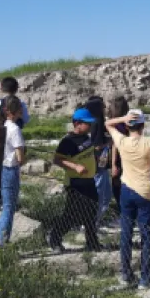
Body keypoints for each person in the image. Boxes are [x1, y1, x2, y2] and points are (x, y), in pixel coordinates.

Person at [106, 109, 150, 290]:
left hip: (126, 190)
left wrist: (122, 119)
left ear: (127, 126)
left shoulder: (121, 141)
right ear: (143, 125)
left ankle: (126, 274)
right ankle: (145, 278)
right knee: (146, 235)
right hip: (145, 192)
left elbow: (107, 124)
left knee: (126, 233)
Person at [50, 107, 103, 253]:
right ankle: (55, 238)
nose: (90, 126)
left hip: (89, 181)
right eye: (87, 123)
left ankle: (92, 243)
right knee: (72, 215)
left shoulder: (87, 138)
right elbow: (57, 160)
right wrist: (75, 166)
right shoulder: (68, 141)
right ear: (77, 123)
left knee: (91, 213)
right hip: (75, 183)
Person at [0, 97, 27, 246]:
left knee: (4, 205)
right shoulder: (15, 129)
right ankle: (2, 240)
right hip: (10, 169)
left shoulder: (1, 126)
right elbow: (20, 157)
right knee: (9, 206)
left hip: (0, 168)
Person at [85, 96, 114, 227]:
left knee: (106, 195)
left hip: (101, 164)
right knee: (100, 194)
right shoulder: (96, 121)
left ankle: (95, 221)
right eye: (102, 106)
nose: (104, 108)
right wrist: (109, 142)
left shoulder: (97, 121)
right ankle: (91, 222)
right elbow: (96, 145)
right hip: (98, 163)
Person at [108, 96, 131, 207]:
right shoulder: (128, 122)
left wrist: (113, 164)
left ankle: (123, 212)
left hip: (119, 159)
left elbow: (115, 146)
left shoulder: (116, 125)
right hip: (130, 157)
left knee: (117, 187)